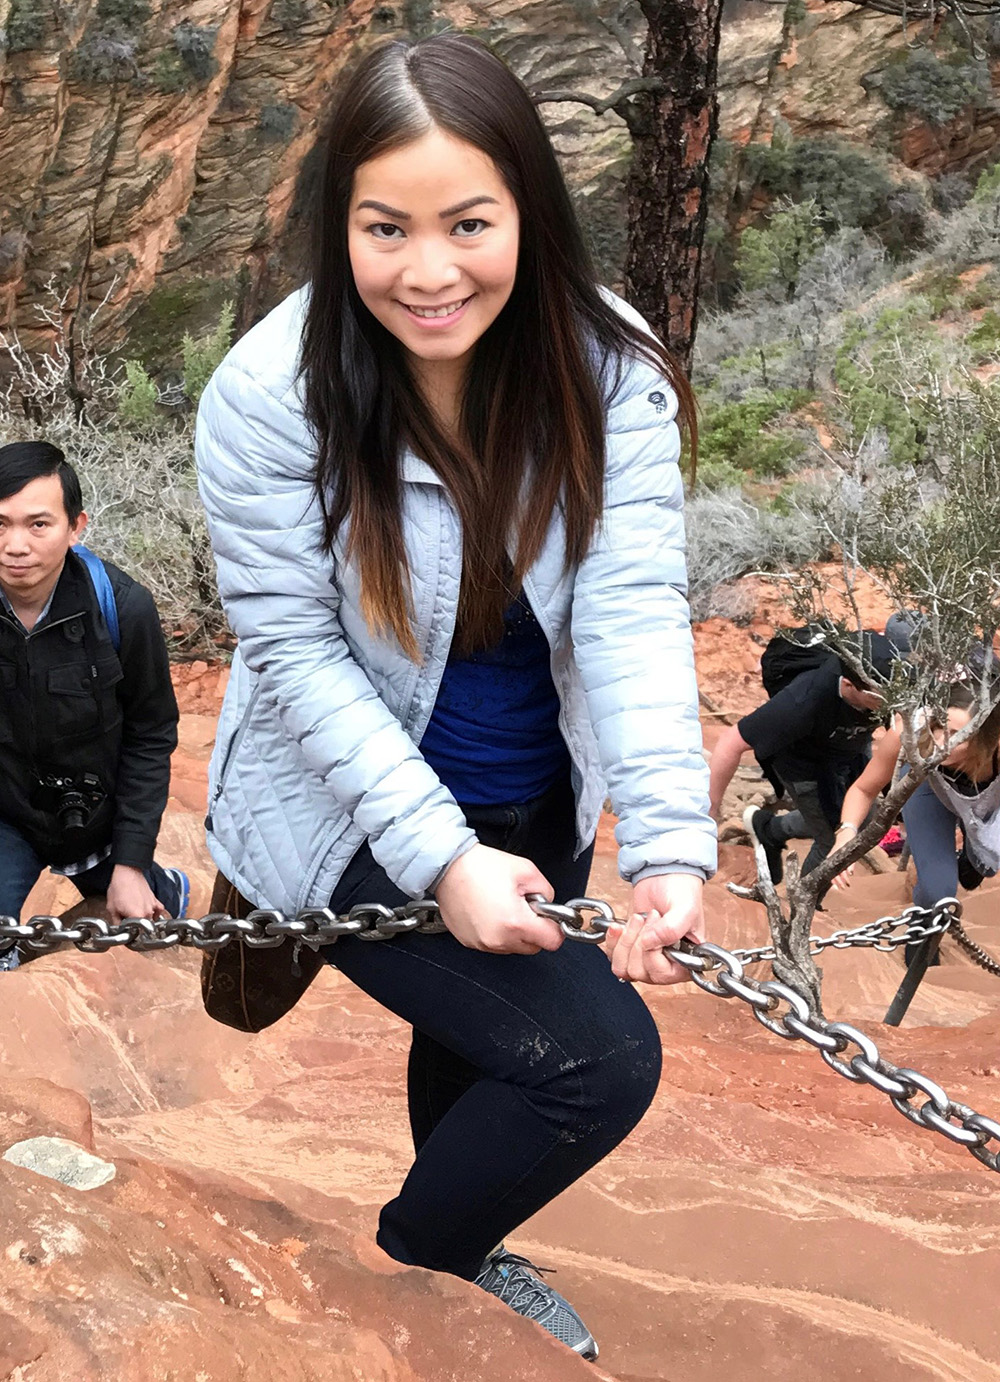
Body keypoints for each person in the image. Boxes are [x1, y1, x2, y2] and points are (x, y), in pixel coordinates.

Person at [195, 35, 715, 1361]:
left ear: (527, 213)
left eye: (469, 222)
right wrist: (438, 856)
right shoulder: (269, 394)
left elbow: (629, 606)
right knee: (599, 1060)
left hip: (539, 796)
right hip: (349, 812)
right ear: (341, 224)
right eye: (386, 227)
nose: (431, 271)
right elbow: (296, 652)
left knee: (488, 1044)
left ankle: (456, 1245)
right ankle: (413, 1261)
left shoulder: (611, 367)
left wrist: (664, 834)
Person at [0, 441, 188, 973]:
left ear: (75, 526)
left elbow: (151, 734)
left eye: (38, 524)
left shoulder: (121, 608)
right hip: (9, 812)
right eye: (0, 523)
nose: (16, 545)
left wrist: (131, 860)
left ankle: (154, 879)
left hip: (97, 814)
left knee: (140, 911)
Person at [709, 632, 895, 883]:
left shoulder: (886, 686)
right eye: (878, 696)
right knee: (831, 837)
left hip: (848, 746)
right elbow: (729, 743)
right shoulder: (803, 699)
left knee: (864, 816)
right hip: (802, 763)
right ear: (848, 685)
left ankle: (770, 830)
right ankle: (805, 908)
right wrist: (710, 811)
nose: (889, 702)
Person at [832, 680, 1000, 929]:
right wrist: (845, 834)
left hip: (989, 796)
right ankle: (921, 947)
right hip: (930, 789)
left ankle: (973, 857)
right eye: (939, 727)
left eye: (958, 736)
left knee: (986, 863)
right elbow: (863, 789)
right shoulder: (911, 731)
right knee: (938, 894)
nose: (942, 742)